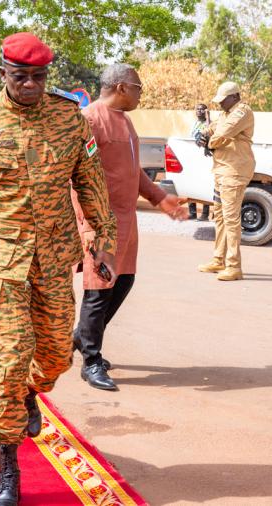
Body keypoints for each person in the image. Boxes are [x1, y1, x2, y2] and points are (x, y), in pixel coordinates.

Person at [0, 33, 117, 506]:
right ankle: (7, 466)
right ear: (3, 74)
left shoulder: (68, 117)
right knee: (12, 357)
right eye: (20, 76)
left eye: (38, 76)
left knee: (55, 357)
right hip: (4, 258)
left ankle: (30, 391)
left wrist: (103, 244)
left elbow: (91, 182)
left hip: (55, 256)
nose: (31, 84)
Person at [72, 64, 187, 391]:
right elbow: (75, 176)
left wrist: (161, 199)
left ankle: (81, 337)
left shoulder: (125, 121)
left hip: (125, 222)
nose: (141, 94)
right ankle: (91, 361)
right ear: (121, 87)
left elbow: (133, 172)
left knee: (123, 281)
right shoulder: (89, 120)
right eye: (138, 87)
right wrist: (88, 223)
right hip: (100, 223)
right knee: (99, 290)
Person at [196, 82, 255, 281]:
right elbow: (213, 128)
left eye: (223, 100)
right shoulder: (226, 113)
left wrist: (209, 143)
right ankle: (218, 259)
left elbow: (224, 133)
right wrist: (203, 135)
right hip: (221, 170)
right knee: (219, 216)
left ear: (235, 97)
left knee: (231, 219)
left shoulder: (242, 112)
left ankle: (234, 266)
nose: (220, 104)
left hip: (234, 171)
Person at [189, 103, 211, 221]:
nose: (199, 111)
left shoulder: (209, 124)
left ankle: (205, 214)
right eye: (197, 109)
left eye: (202, 109)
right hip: (193, 158)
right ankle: (192, 213)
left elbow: (209, 132)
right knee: (191, 183)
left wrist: (208, 117)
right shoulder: (194, 123)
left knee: (203, 184)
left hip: (204, 158)